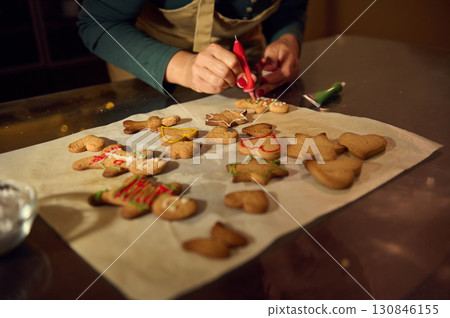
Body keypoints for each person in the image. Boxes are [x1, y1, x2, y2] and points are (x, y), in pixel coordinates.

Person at [78, 0, 308, 97]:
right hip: (147, 73)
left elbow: (290, 9)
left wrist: (286, 38)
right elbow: (97, 23)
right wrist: (185, 66)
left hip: (247, 66)